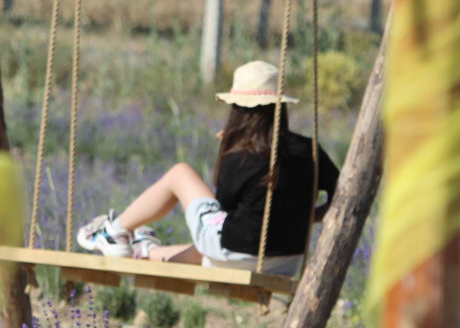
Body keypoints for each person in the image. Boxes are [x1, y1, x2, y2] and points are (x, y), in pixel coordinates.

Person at [77, 61, 339, 276]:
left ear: (238, 109)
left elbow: (223, 207)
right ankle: (145, 250)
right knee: (219, 242)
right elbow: (340, 196)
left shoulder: (243, 155)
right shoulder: (310, 150)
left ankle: (114, 233)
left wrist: (229, 150)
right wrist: (306, 218)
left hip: (236, 253)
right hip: (286, 262)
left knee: (181, 174)